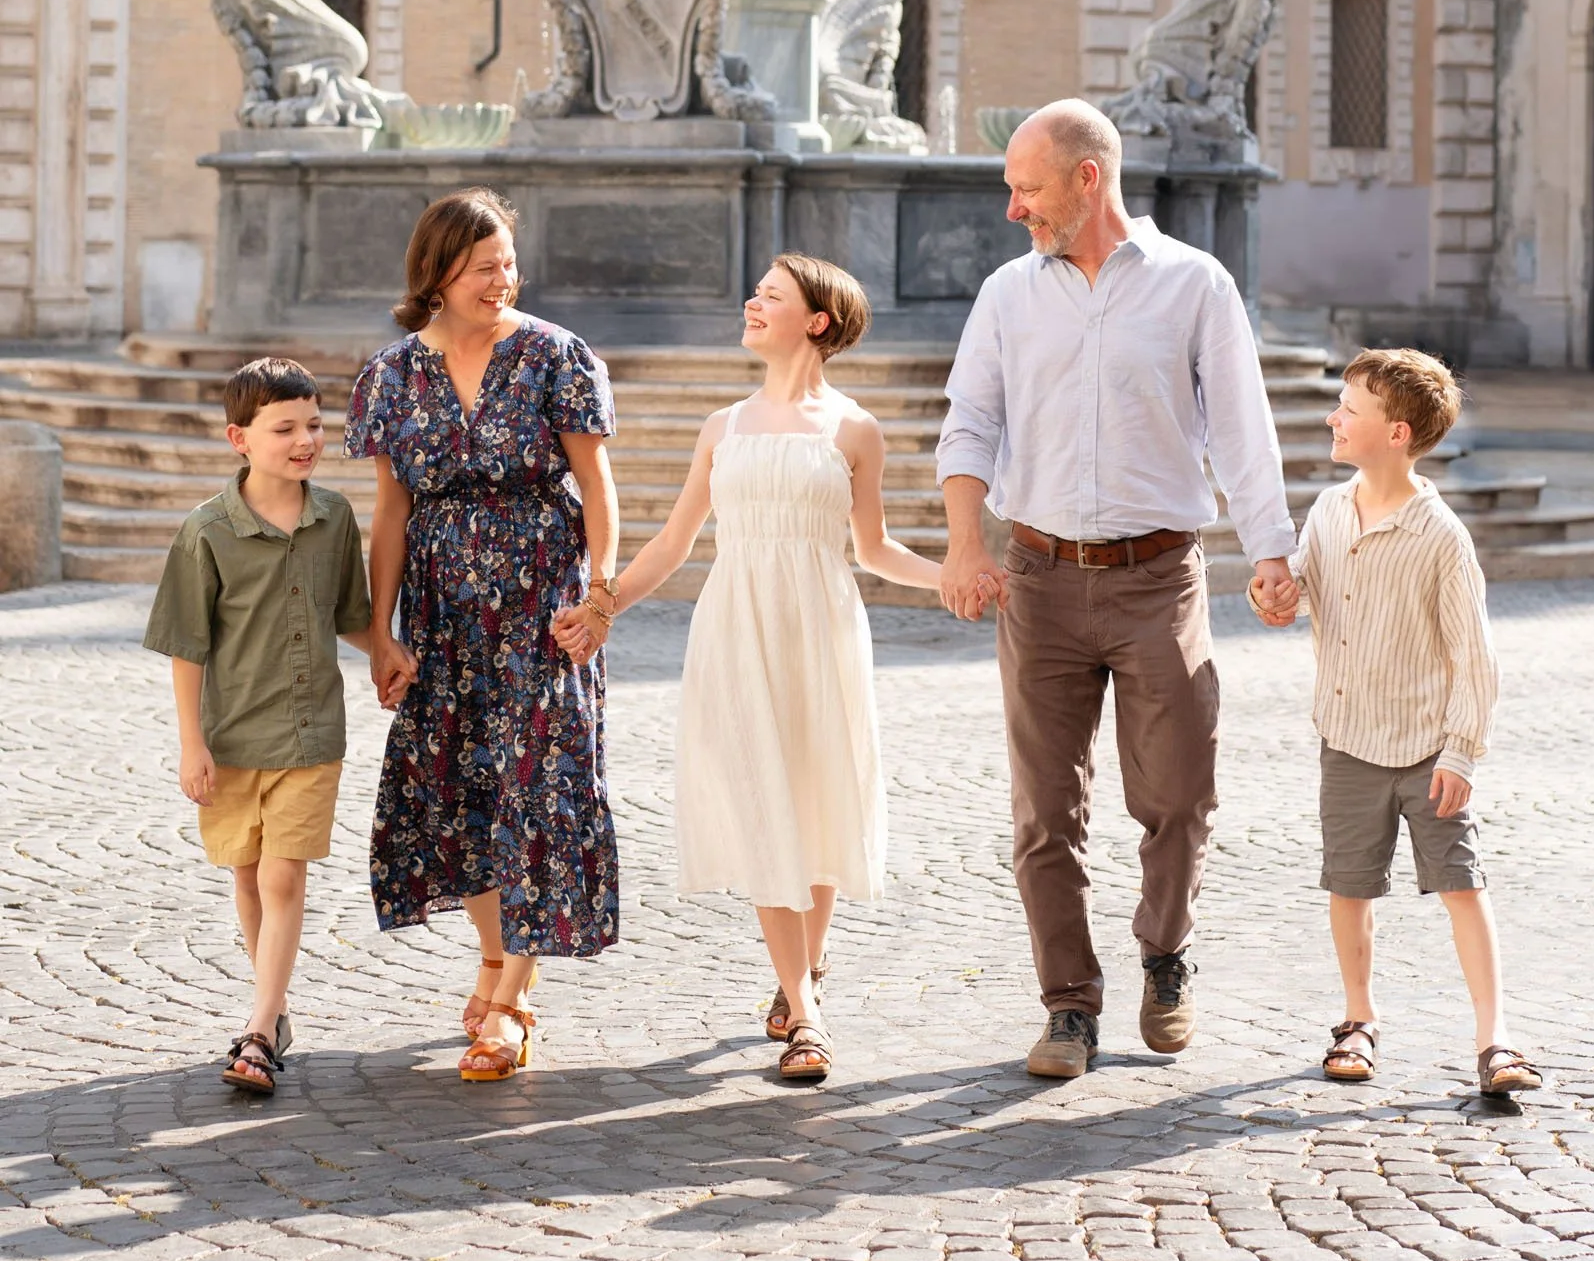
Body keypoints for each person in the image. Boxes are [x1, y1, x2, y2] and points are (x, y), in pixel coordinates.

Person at [936, 99, 1296, 1081]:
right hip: (1039, 579)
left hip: (1158, 578)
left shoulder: (1193, 285)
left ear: (1086, 178)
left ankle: (1163, 951)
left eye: (1027, 187)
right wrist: (967, 543)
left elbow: (1239, 427)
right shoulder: (1007, 295)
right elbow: (967, 425)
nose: (1014, 209)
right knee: (1043, 813)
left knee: (1179, 789)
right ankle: (1068, 1006)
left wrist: (1271, 550)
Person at [556, 253, 974, 1086]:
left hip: (821, 629)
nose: (751, 302)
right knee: (763, 804)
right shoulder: (723, 426)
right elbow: (674, 544)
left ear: (816, 321)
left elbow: (874, 549)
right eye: (754, 292)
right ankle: (808, 1019)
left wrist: (954, 575)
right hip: (736, 628)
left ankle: (800, 981)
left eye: (771, 296)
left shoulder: (854, 429)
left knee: (815, 803)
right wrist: (602, 608)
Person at [349, 188, 621, 1083]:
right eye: (482, 267)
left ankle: (510, 999)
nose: (501, 280)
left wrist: (599, 595)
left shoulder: (554, 356)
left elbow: (597, 488)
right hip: (441, 614)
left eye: (508, 262)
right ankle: (495, 957)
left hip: (542, 608)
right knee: (462, 791)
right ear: (436, 274)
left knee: (539, 787)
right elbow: (390, 513)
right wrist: (382, 633)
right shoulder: (391, 375)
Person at [1251, 347, 1541, 1100]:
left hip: (1426, 748)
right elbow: (1305, 592)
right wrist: (1280, 598)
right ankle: (1356, 1021)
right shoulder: (1327, 510)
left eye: (1349, 410)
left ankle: (1494, 1039)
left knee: (1461, 885)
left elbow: (1473, 657)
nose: (1332, 419)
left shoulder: (1439, 536)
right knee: (1348, 886)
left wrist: (1461, 754)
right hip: (1346, 738)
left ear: (1397, 433)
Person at [143, 356, 387, 1097]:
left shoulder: (334, 518)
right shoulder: (206, 532)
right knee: (248, 877)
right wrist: (192, 746)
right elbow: (186, 646)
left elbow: (350, 617)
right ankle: (271, 1011)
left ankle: (257, 1029)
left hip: (311, 735)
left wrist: (389, 652)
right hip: (232, 738)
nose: (305, 439)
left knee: (284, 874)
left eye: (314, 424)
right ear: (239, 439)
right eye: (285, 428)